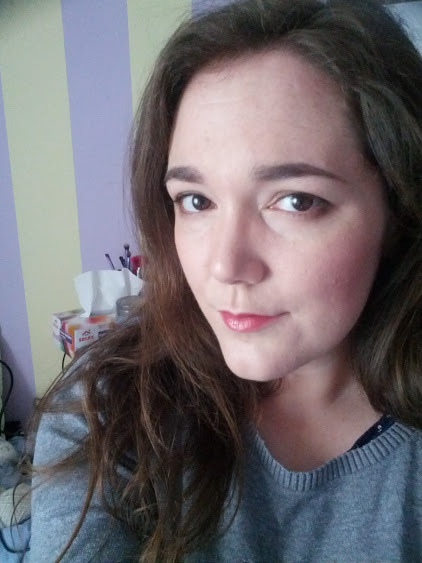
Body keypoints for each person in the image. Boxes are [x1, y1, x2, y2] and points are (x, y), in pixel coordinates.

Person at [30, 0, 422, 561]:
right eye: (196, 201)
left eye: (296, 200)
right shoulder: (104, 410)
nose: (225, 266)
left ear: (399, 210)